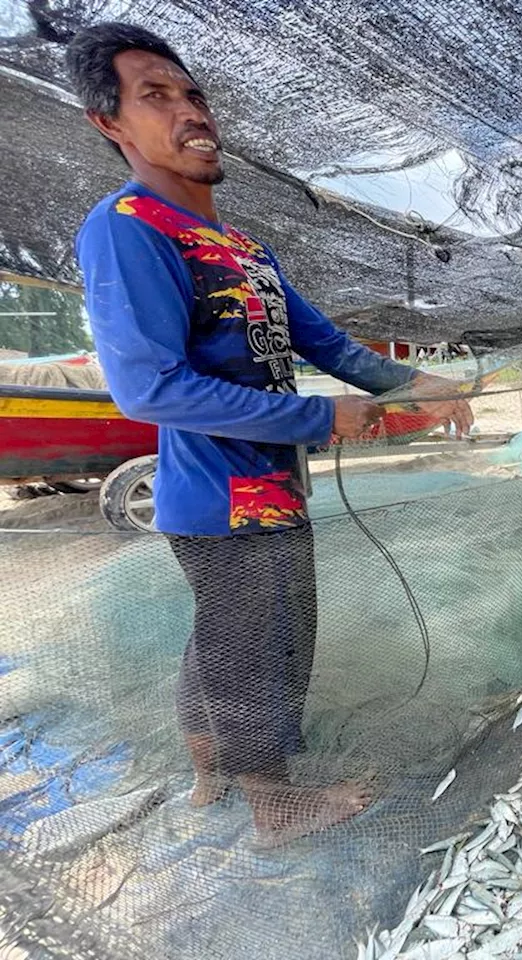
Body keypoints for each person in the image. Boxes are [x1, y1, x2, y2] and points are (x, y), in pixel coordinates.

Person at [66, 23, 474, 845]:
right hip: (218, 496)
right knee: (260, 646)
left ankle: (211, 772)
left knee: (223, 636)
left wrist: (417, 385)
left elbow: (321, 341)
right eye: (156, 96)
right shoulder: (127, 226)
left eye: (193, 94)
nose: (189, 113)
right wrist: (320, 416)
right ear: (108, 124)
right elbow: (150, 387)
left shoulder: (246, 248)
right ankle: (274, 804)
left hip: (270, 486)